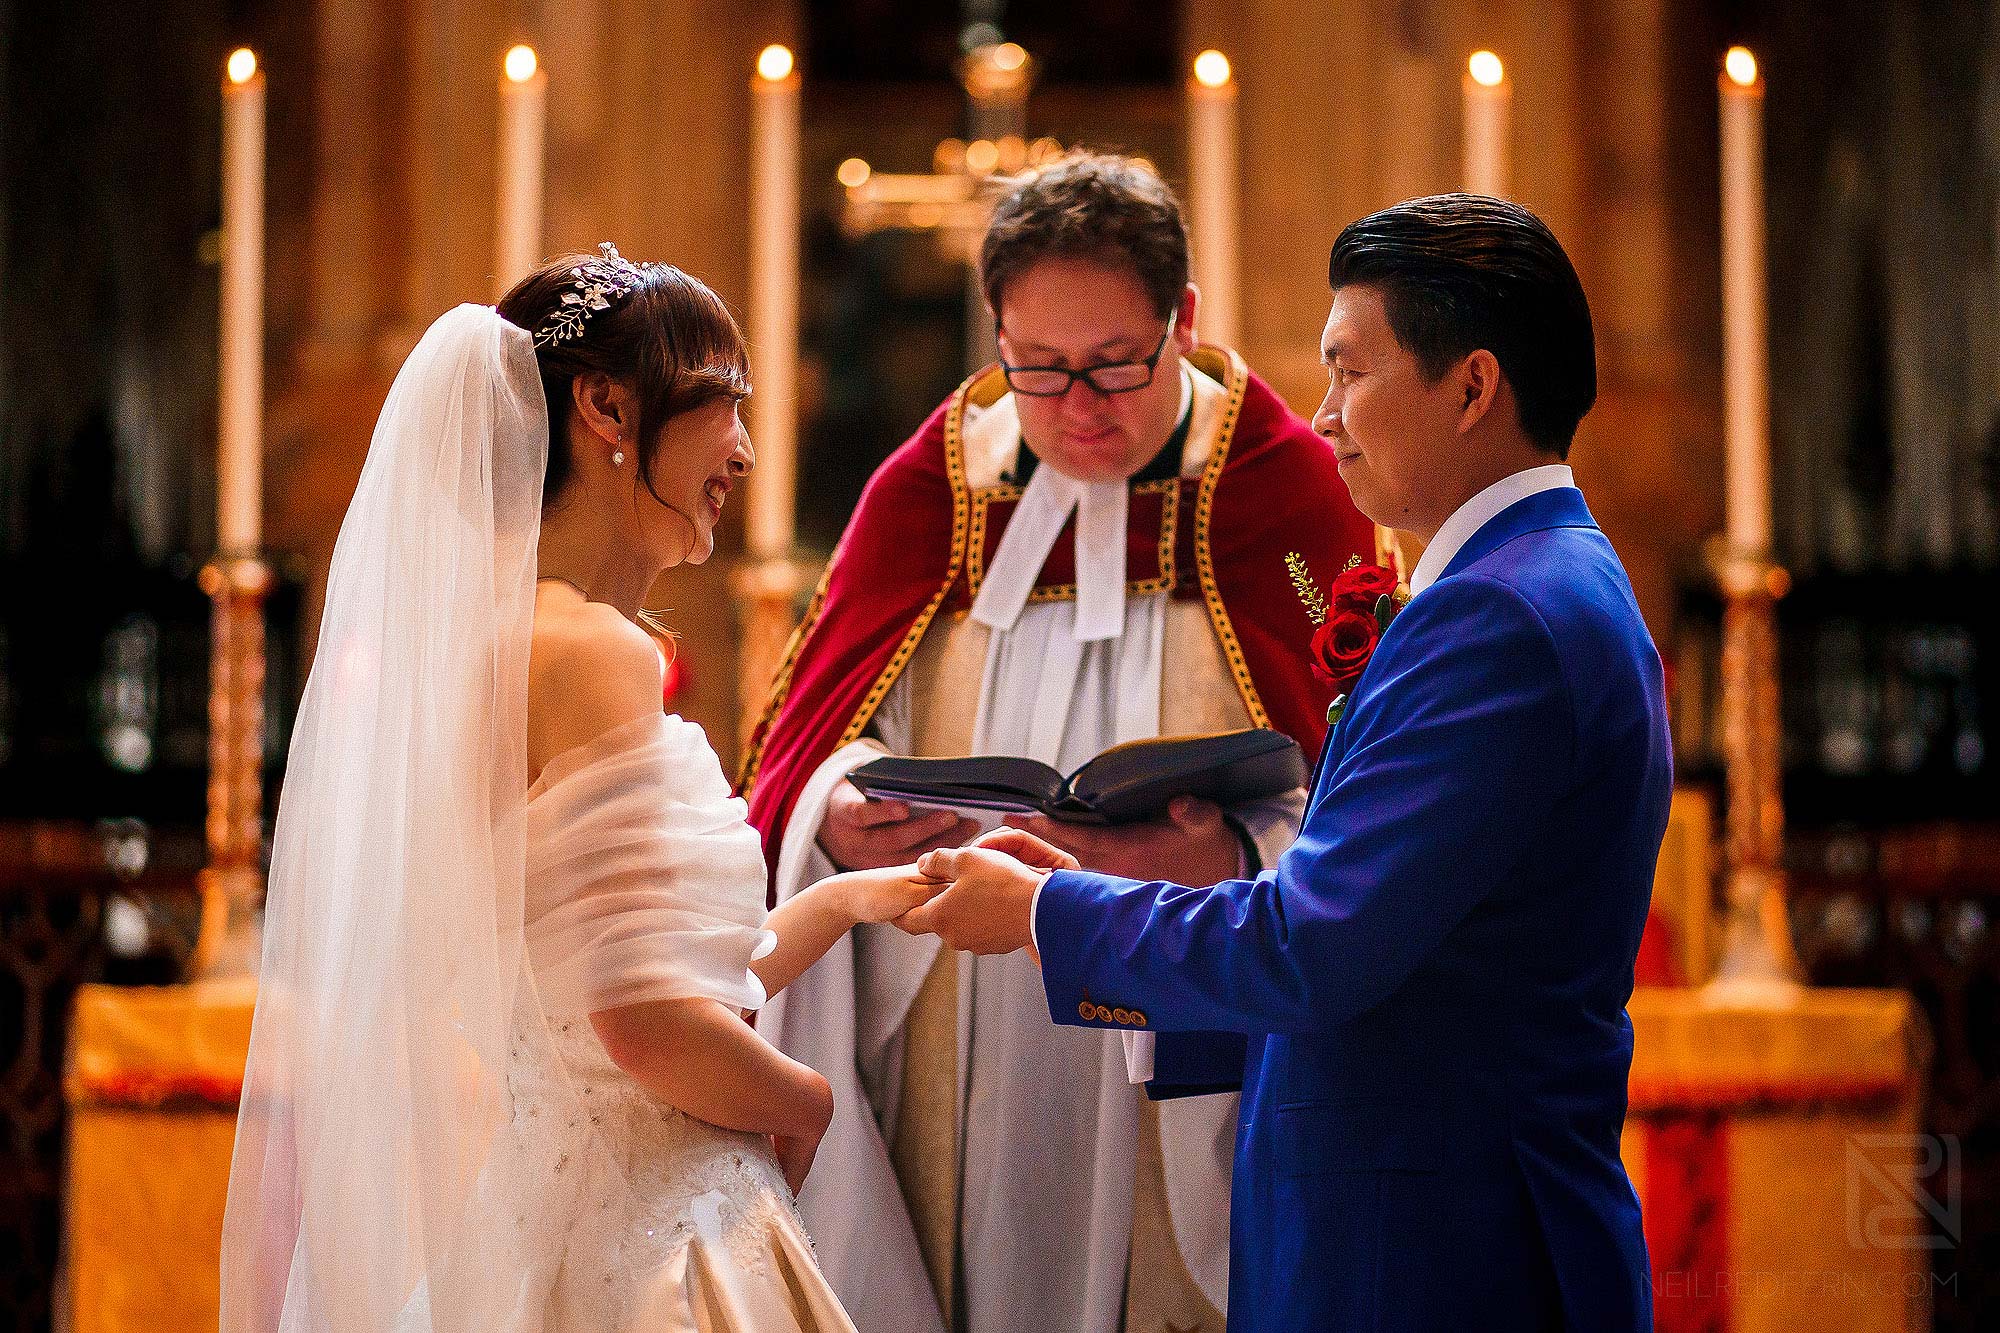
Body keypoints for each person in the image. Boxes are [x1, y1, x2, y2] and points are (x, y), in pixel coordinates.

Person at [901, 195, 1673, 1333]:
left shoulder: (1499, 617)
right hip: (1420, 1221)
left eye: (1347, 372)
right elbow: (1413, 957)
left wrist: (1047, 911)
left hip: (1431, 1256)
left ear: (1470, 386)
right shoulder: (1533, 583)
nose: (1320, 417)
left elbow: (1312, 945)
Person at [220, 247, 938, 1333]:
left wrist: (853, 896)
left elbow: (634, 983)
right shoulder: (588, 653)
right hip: (654, 1238)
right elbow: (643, 1028)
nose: (742, 450)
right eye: (724, 403)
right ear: (606, 404)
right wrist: (806, 1100)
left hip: (545, 1214)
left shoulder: (495, 645)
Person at [741, 153, 1375, 1333]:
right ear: (994, 334)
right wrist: (835, 807)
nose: (1077, 407)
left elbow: (1370, 782)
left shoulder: (1280, 500)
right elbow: (809, 741)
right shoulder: (931, 490)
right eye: (1035, 369)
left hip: (1177, 994)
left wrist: (1236, 851)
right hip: (952, 1005)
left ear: (1182, 321)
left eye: (1115, 367)